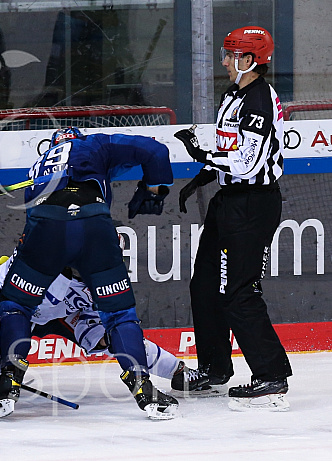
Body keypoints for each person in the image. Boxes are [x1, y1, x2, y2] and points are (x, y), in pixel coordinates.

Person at [0, 126, 178, 420]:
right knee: (120, 315)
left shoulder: (40, 164)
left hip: (47, 226)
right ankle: (142, 385)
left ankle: (8, 381)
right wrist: (153, 187)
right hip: (93, 223)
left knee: (14, 306)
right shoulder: (94, 145)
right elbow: (156, 150)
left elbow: (10, 288)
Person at [173, 26, 292, 411]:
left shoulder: (258, 100)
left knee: (239, 290)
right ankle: (213, 368)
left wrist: (200, 155)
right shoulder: (234, 94)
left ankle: (271, 375)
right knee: (205, 283)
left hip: (252, 204)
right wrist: (206, 175)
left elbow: (246, 162)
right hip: (231, 199)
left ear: (249, 60)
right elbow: (231, 150)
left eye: (230, 55)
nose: (223, 61)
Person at [0, 255, 200, 401]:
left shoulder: (104, 275)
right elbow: (6, 292)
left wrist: (104, 338)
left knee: (118, 335)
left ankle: (177, 371)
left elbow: (96, 322)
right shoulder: (40, 258)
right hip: (19, 310)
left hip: (66, 313)